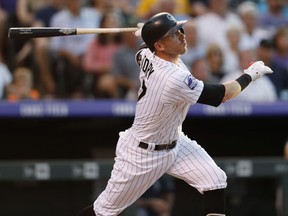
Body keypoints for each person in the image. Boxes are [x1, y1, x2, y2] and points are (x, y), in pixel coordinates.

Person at [77, 12, 273, 216]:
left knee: (215, 180)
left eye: (180, 29)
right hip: (143, 153)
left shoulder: (147, 53)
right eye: (172, 34)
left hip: (175, 142)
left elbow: (143, 48)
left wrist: (148, 32)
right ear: (159, 46)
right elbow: (222, 94)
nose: (181, 35)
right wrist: (251, 75)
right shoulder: (172, 78)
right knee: (103, 211)